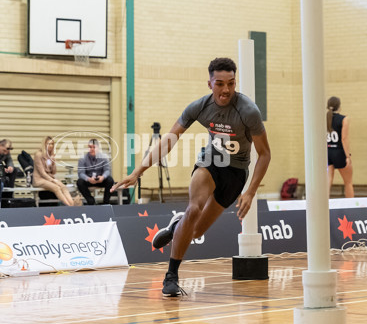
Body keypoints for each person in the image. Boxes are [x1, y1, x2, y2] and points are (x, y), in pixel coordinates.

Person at [112, 57, 271, 297]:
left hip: (236, 174)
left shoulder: (248, 111)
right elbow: (169, 139)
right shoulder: (199, 107)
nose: (225, 89)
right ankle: (171, 276)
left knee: (195, 232)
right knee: (194, 209)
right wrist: (138, 171)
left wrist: (250, 191)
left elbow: (265, 154)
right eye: (219, 83)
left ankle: (176, 225)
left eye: (230, 83)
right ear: (209, 84)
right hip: (211, 162)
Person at [33, 136, 75, 206]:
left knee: (64, 187)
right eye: (48, 144)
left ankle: (73, 205)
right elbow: (42, 173)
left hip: (50, 178)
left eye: (52, 144)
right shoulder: (38, 154)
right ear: (44, 144)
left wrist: (53, 161)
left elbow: (53, 172)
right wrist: (53, 180)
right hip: (40, 179)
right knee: (56, 188)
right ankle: (69, 206)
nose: (51, 146)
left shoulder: (50, 155)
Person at [326, 96, 354, 198]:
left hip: (327, 152)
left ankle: (324, 206)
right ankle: (351, 207)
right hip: (339, 152)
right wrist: (348, 156)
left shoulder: (322, 118)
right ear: (339, 106)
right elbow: (344, 139)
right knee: (348, 182)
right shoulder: (344, 119)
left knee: (327, 182)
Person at [77, 138, 114, 205]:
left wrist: (103, 177)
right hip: (89, 180)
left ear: (98, 148)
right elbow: (81, 173)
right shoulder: (82, 158)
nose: (92, 149)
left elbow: (107, 170)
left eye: (94, 147)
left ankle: (106, 202)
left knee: (110, 180)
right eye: (90, 147)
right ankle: (90, 200)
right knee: (80, 182)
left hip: (100, 180)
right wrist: (88, 179)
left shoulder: (104, 157)